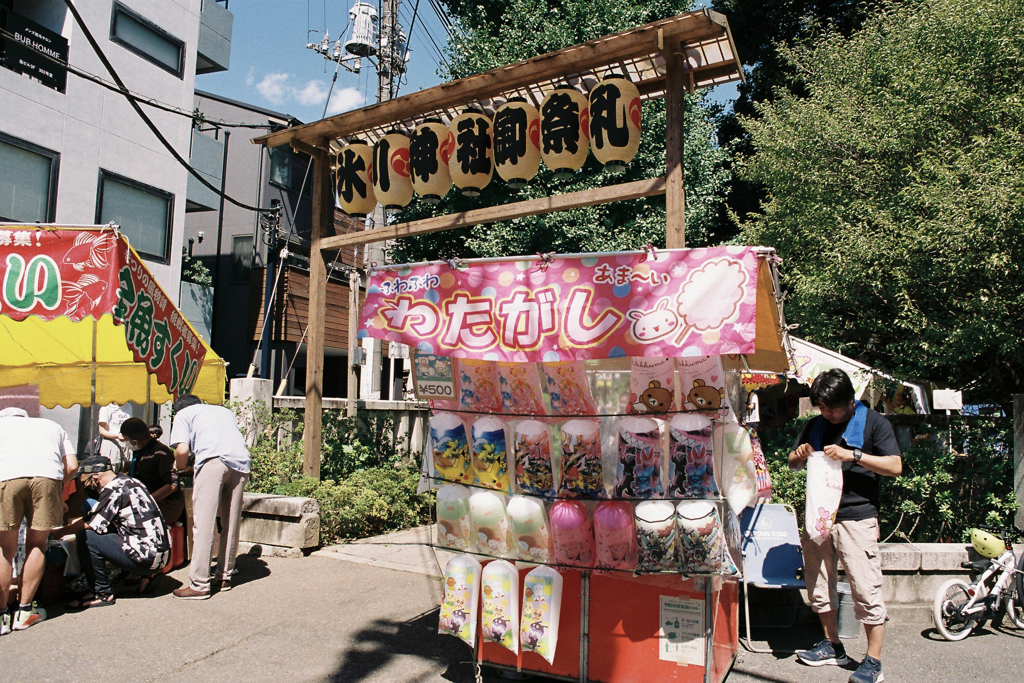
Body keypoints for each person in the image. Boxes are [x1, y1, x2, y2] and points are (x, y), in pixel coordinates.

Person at [789, 369, 902, 683]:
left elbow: (895, 465)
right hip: (819, 516)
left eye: (831, 408)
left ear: (850, 401)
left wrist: (855, 455)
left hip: (857, 517)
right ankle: (832, 646)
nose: (826, 413)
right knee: (819, 583)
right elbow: (792, 461)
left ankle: (873, 662)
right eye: (821, 408)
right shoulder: (815, 425)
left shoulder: (875, 423)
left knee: (865, 588)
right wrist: (797, 456)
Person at [50, 456, 170, 608]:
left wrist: (59, 533)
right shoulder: (132, 482)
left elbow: (90, 524)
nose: (85, 488)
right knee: (118, 529)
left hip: (146, 558)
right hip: (161, 556)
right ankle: (143, 576)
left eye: (84, 484)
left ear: (95, 478)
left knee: (88, 537)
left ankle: (101, 593)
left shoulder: (113, 490)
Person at [0, 407, 78, 634]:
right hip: (47, 478)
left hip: (6, 477)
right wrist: (58, 489)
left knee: (5, 548)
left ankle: (1, 617)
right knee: (37, 544)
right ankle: (25, 612)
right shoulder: (52, 426)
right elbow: (72, 466)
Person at [169, 395, 250, 600]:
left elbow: (182, 450)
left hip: (213, 461)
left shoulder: (183, 414)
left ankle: (199, 584)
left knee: (203, 522)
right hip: (241, 462)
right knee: (230, 522)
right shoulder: (224, 411)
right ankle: (224, 576)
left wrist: (182, 467)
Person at [119, 418, 185, 525]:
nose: (126, 443)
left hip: (165, 505)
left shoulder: (160, 453)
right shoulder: (141, 452)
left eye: (126, 440)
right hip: (144, 502)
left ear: (134, 440)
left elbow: (172, 485)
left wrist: (147, 501)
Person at [97, 402, 131, 473]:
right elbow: (102, 430)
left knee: (126, 470)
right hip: (111, 442)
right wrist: (117, 436)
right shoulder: (106, 407)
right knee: (111, 469)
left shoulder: (129, 406)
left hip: (126, 443)